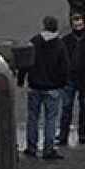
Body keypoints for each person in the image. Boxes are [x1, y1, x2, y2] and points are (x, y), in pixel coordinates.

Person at [18, 16, 69, 160]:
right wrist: (62, 84)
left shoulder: (34, 42)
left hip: (34, 86)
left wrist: (22, 80)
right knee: (51, 120)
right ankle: (48, 149)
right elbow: (64, 67)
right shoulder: (59, 45)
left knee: (33, 118)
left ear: (44, 26)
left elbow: (25, 62)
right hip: (53, 88)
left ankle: (31, 147)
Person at [58, 11, 85, 146]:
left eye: (80, 21)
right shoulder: (65, 40)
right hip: (69, 78)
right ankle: (63, 135)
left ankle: (82, 134)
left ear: (84, 23)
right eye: (75, 21)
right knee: (66, 107)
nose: (78, 24)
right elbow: (60, 60)